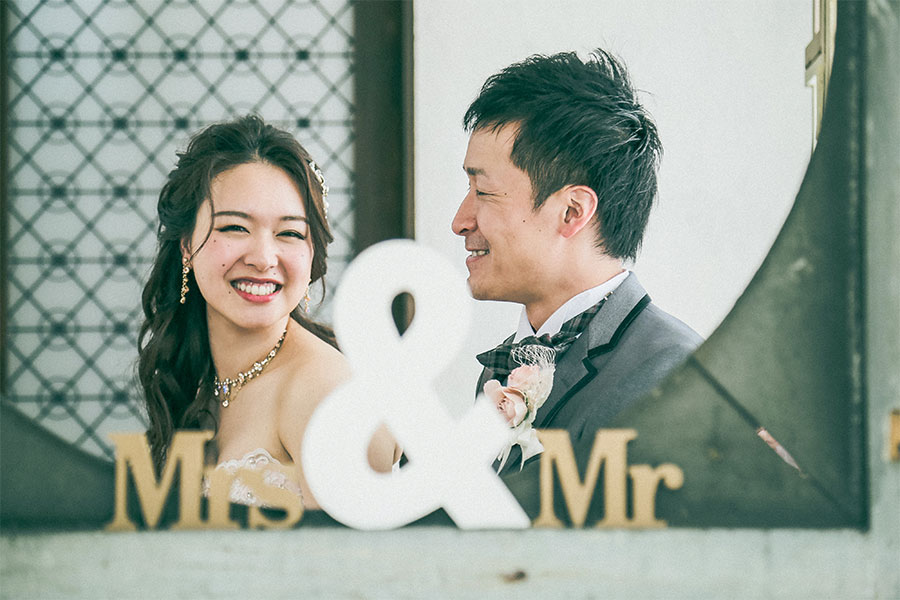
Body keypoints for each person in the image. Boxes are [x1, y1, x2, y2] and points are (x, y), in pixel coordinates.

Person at [451, 50, 703, 469]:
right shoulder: (504, 370)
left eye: (483, 192)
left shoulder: (670, 377)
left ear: (572, 212)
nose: (460, 222)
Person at [139, 115, 398, 508]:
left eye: (289, 233)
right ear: (186, 245)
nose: (263, 258)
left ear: (312, 254)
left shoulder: (324, 392)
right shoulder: (203, 382)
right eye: (234, 228)